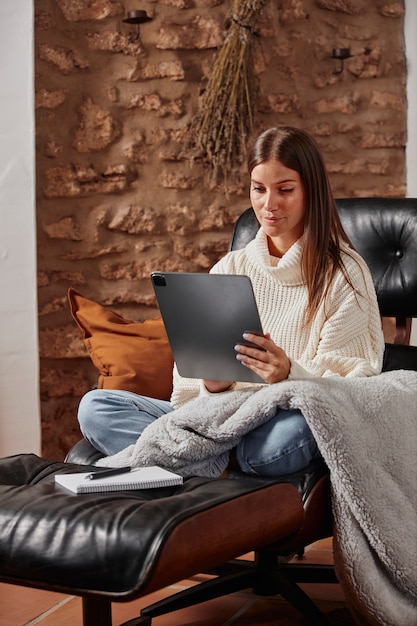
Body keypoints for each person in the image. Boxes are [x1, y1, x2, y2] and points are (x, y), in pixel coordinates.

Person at [78, 126, 385, 477]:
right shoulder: (232, 267)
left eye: (285, 190)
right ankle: (214, 462)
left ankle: (191, 462)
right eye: (259, 189)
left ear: (310, 192)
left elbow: (354, 385)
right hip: (218, 418)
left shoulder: (344, 273)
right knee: (96, 407)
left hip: (277, 422)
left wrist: (289, 373)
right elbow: (187, 390)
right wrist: (212, 383)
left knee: (280, 440)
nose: (268, 205)